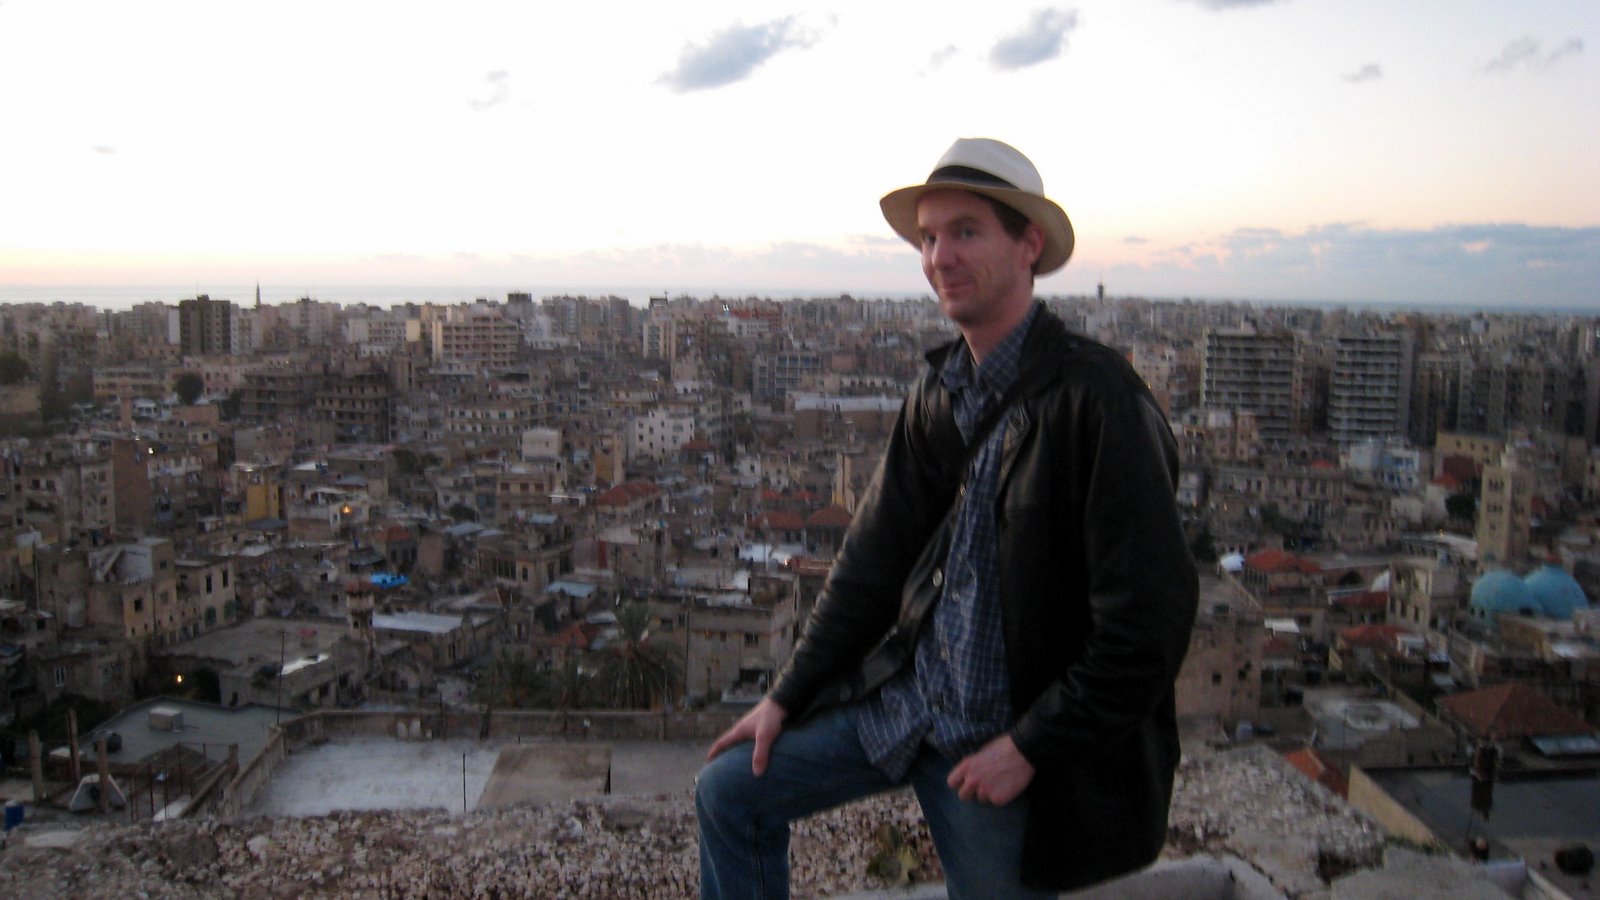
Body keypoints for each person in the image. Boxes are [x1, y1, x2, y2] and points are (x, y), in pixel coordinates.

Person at [696, 138, 1199, 898]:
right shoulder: (937, 393)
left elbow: (1147, 627)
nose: (939, 257)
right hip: (909, 707)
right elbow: (870, 562)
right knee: (729, 791)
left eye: (965, 232)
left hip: (1000, 744)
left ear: (1029, 245)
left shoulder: (1099, 404)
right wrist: (785, 697)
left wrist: (1028, 748)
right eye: (928, 238)